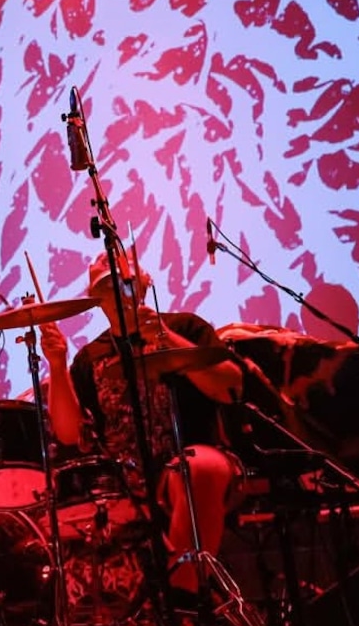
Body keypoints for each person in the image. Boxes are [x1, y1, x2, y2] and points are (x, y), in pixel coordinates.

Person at [42, 253, 243, 607]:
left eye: (126, 282)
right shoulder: (90, 357)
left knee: (197, 468)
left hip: (192, 461)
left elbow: (231, 386)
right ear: (95, 298)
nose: (119, 292)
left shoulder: (186, 327)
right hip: (126, 480)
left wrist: (165, 337)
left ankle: (184, 607)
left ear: (145, 284)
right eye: (107, 286)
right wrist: (57, 365)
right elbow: (70, 434)